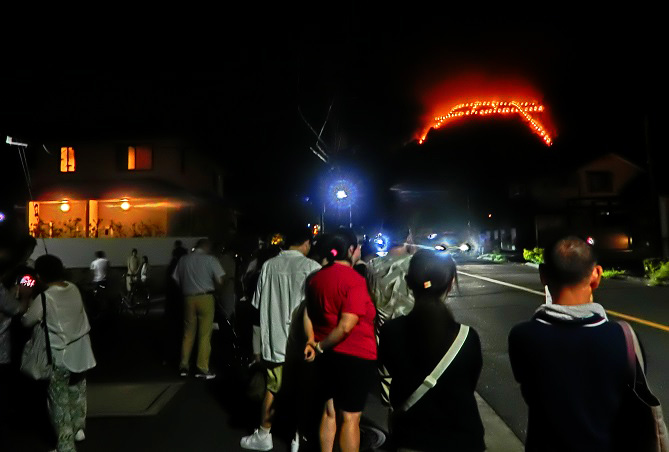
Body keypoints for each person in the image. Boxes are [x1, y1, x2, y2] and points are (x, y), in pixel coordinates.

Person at [508, 236, 631, 452]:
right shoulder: (625, 338)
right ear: (596, 275)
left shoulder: (522, 337)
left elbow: (530, 392)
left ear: (543, 275)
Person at [378, 250, 485, 452]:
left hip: (410, 438)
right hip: (462, 440)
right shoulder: (467, 337)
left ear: (408, 283)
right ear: (450, 284)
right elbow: (469, 384)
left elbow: (390, 370)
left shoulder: (390, 332)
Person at [241, 227, 321, 451]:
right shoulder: (312, 267)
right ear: (306, 243)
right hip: (304, 341)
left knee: (273, 388)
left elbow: (257, 305)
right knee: (302, 390)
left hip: (275, 339)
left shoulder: (269, 266)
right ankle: (297, 437)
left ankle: (264, 434)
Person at [303, 228, 377, 452]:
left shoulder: (315, 279)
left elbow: (307, 313)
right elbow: (346, 325)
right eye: (358, 247)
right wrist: (320, 346)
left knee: (329, 412)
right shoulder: (354, 280)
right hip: (355, 356)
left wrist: (311, 341)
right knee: (351, 418)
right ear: (351, 250)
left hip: (327, 358)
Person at [22, 254, 96, 452]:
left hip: (60, 355)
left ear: (39, 276)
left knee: (59, 401)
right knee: (77, 392)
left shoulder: (45, 297)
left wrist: (26, 296)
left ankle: (65, 446)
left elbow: (27, 321)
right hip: (82, 352)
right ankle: (78, 429)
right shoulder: (73, 288)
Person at [366, 221, 414, 405]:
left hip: (384, 335)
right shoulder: (417, 264)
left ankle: (394, 419)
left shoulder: (373, 266)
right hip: (414, 334)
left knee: (390, 391)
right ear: (408, 237)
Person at [172, 238, 225, 379]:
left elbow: (176, 278)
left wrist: (185, 288)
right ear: (206, 247)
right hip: (206, 297)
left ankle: (184, 365)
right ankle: (202, 367)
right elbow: (220, 280)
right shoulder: (210, 259)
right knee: (205, 334)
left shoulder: (184, 260)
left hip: (188, 298)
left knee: (188, 333)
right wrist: (217, 292)